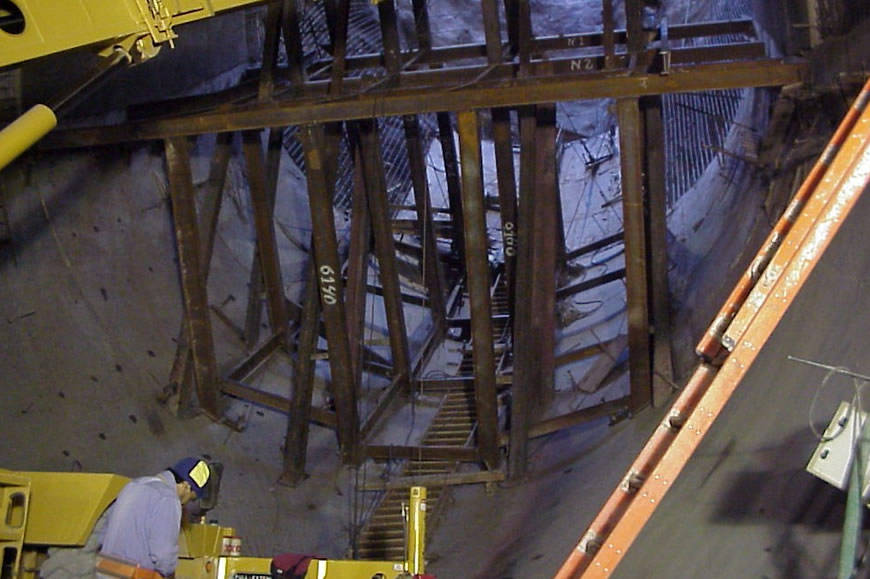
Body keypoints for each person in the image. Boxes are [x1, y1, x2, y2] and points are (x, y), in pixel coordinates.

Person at [96, 457, 210, 579]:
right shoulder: (168, 498)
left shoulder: (133, 485)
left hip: (104, 573)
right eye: (191, 498)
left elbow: (103, 532)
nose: (185, 503)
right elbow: (163, 555)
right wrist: (169, 571)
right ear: (186, 486)